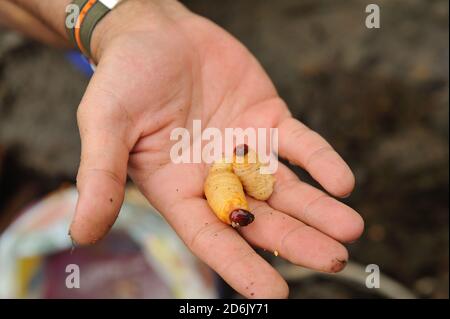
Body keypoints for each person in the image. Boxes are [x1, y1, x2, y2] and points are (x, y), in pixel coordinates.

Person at [0, 0, 364, 298]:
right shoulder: (227, 178)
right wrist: (122, 22)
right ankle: (93, 40)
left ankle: (91, 38)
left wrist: (118, 19)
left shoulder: (230, 175)